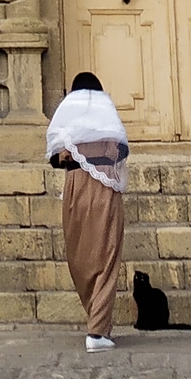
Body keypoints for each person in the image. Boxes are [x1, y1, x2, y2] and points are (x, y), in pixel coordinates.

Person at [45, 69, 131, 352]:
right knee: (106, 256)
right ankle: (97, 331)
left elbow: (55, 159)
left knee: (80, 257)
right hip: (103, 189)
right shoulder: (106, 119)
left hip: (74, 188)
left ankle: (97, 322)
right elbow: (120, 151)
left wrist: (76, 150)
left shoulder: (69, 121)